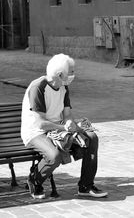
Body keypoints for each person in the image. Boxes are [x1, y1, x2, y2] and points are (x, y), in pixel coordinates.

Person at [21, 53, 108, 199]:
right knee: (54, 156)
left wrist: (70, 123)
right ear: (60, 74)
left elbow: (67, 114)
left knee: (92, 137)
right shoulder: (38, 87)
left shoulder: (63, 86)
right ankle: (35, 180)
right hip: (35, 132)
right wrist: (65, 128)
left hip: (58, 128)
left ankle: (86, 186)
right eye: (71, 72)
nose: (74, 75)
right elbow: (41, 123)